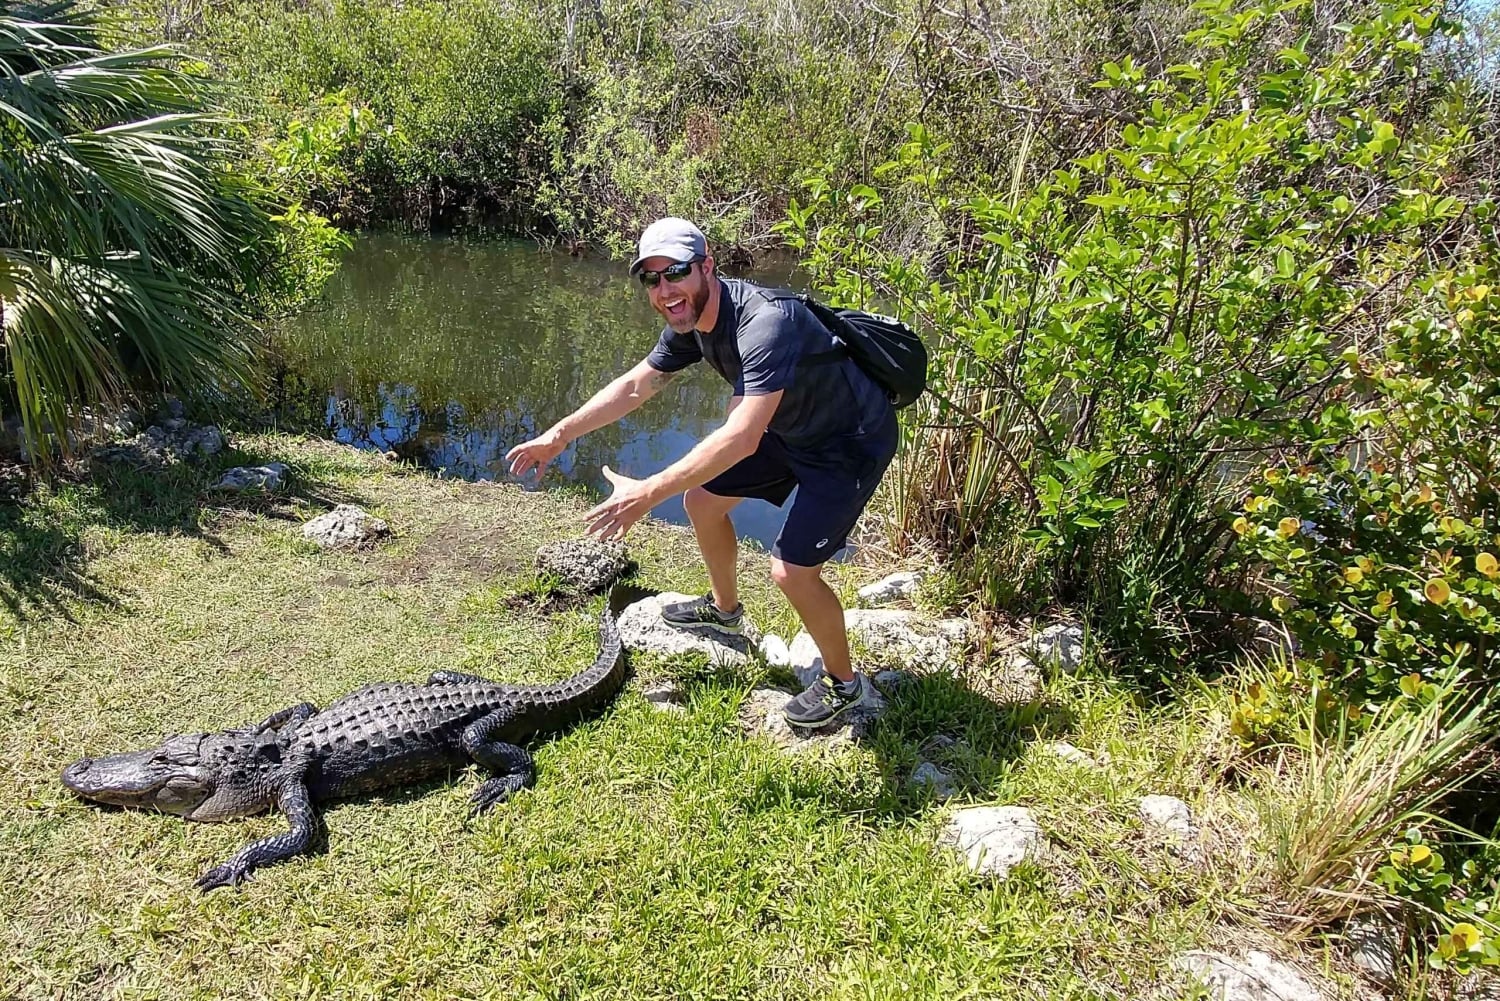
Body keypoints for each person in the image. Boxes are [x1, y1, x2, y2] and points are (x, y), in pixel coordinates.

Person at [505, 218, 898, 727]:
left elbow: (741, 437)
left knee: (792, 572)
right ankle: (726, 611)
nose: (666, 290)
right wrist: (557, 436)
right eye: (652, 279)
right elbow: (635, 387)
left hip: (849, 443)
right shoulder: (691, 323)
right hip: (789, 428)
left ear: (707, 267)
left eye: (677, 272)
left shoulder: (765, 322)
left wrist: (647, 492)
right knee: (703, 501)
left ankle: (847, 686)